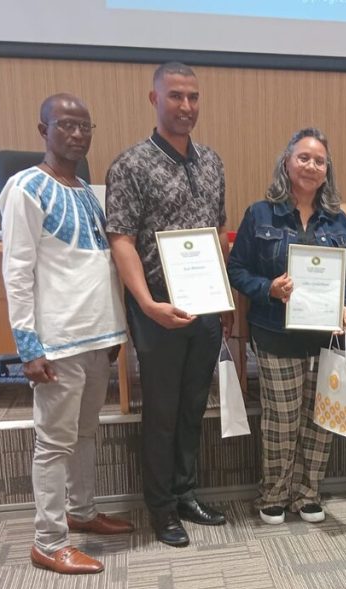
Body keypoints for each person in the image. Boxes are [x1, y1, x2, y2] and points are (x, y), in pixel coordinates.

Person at [0, 93, 131, 575]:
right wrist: (27, 348)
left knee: (85, 433)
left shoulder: (89, 194)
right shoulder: (25, 189)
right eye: (66, 126)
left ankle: (81, 512)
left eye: (85, 126)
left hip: (98, 335)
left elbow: (103, 266)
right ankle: (49, 540)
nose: (77, 135)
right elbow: (16, 271)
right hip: (56, 342)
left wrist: (116, 330)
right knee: (54, 443)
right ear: (43, 130)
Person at [106, 62, 229, 548]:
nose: (186, 106)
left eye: (193, 97)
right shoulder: (131, 165)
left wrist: (221, 296)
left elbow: (217, 233)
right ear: (154, 99)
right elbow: (121, 241)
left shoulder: (212, 162)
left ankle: (185, 492)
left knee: (192, 407)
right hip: (158, 311)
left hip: (203, 309)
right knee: (160, 410)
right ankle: (159, 509)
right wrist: (146, 303)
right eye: (175, 96)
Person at [227, 128, 346, 525]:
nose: (311, 166)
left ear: (327, 171)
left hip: (324, 337)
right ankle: (274, 494)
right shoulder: (260, 213)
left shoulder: (338, 221)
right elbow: (237, 269)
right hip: (275, 334)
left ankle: (308, 494)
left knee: (321, 419)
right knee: (283, 419)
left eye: (319, 160)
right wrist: (267, 288)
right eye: (303, 157)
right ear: (286, 163)